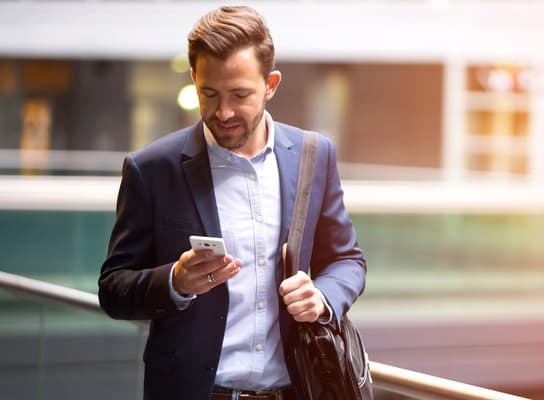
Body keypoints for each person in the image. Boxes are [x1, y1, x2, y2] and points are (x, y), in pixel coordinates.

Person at [98, 5, 367, 400]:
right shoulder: (152, 169)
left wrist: (323, 297)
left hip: (293, 391)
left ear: (271, 84)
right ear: (194, 78)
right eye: (209, 94)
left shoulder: (314, 155)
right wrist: (175, 281)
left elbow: (347, 260)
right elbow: (113, 289)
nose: (223, 112)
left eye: (240, 95)